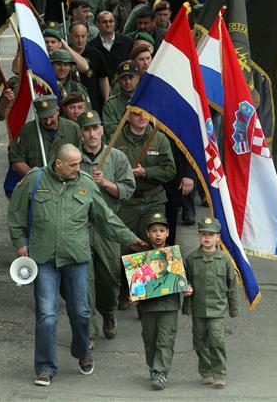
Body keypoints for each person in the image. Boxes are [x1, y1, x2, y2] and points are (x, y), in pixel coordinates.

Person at [7, 143, 147, 386]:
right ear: (58, 163)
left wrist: (130, 239)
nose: (78, 168)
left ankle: (82, 351)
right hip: (44, 259)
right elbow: (16, 213)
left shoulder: (85, 183)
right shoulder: (34, 179)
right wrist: (20, 243)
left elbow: (106, 218)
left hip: (76, 259)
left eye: (79, 163)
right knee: (47, 315)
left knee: (81, 312)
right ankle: (44, 367)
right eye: (73, 164)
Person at [78, 111, 136, 347]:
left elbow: (127, 190)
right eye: (87, 129)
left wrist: (106, 183)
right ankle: (88, 329)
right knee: (83, 281)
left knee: (109, 278)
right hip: (80, 227)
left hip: (107, 228)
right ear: (81, 133)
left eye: (95, 128)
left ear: (103, 129)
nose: (92, 134)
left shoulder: (117, 158)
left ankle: (109, 312)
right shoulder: (73, 157)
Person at [115, 110, 176, 308]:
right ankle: (126, 290)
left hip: (153, 199)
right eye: (136, 114)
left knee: (154, 244)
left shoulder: (158, 138)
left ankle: (150, 297)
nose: (142, 117)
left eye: (145, 114)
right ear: (128, 117)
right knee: (128, 247)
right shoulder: (117, 139)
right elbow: (109, 166)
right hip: (128, 201)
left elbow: (169, 170)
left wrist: (146, 172)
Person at [183, 217, 240, 389]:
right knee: (199, 341)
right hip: (199, 308)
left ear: (218, 237)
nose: (207, 238)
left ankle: (219, 373)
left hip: (217, 309)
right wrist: (186, 294)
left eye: (211, 235)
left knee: (216, 341)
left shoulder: (224, 260)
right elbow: (184, 281)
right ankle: (206, 371)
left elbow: (232, 286)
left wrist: (234, 307)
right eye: (203, 234)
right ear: (199, 236)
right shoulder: (192, 259)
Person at [138, 213, 190, 391]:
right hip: (148, 307)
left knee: (165, 340)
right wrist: (131, 295)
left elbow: (181, 278)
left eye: (161, 230)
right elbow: (136, 283)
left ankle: (161, 372)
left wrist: (186, 286)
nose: (158, 234)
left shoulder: (174, 256)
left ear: (168, 233)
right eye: (154, 231)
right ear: (148, 234)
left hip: (169, 306)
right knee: (150, 340)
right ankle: (154, 368)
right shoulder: (141, 257)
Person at [8, 95, 80, 176]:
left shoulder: (73, 129)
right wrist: (36, 178)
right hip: (38, 184)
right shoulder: (27, 131)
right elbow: (16, 161)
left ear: (57, 111)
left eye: (51, 117)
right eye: (44, 118)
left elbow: (82, 158)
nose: (48, 122)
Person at [69, 22, 110, 114]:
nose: (80, 40)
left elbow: (103, 78)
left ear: (87, 36)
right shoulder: (65, 53)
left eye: (83, 36)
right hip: (70, 104)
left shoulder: (95, 54)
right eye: (77, 36)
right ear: (70, 35)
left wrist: (107, 100)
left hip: (92, 102)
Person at [89, 11, 134, 83]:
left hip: (124, 85)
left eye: (111, 21)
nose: (108, 24)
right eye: (104, 22)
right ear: (97, 24)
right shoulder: (91, 46)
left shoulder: (127, 42)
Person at [102, 61, 140, 140]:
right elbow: (110, 131)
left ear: (138, 78)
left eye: (130, 77)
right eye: (123, 78)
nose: (127, 82)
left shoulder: (145, 100)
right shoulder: (111, 104)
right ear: (119, 80)